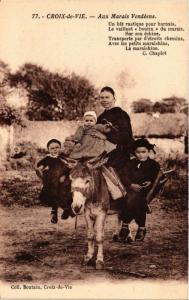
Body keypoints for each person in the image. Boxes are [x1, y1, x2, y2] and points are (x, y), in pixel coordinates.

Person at [118, 138, 160, 241]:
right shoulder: (130, 163)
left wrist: (150, 181)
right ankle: (142, 227)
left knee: (137, 199)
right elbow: (122, 175)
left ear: (148, 152)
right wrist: (131, 184)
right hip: (130, 188)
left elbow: (156, 176)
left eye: (144, 152)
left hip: (145, 190)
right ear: (134, 153)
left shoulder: (153, 164)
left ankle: (125, 225)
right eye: (138, 152)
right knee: (133, 199)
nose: (141, 155)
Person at [35, 139, 74, 224]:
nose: (55, 150)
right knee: (54, 197)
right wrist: (41, 171)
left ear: (60, 148)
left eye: (57, 147)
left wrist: (68, 169)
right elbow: (39, 167)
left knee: (66, 195)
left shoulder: (62, 158)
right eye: (52, 148)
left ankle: (67, 209)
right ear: (48, 149)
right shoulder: (47, 159)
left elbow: (68, 167)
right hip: (52, 183)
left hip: (64, 182)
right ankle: (54, 213)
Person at [97, 86, 134, 170]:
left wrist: (108, 134)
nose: (104, 100)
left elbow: (126, 136)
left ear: (114, 99)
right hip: (102, 153)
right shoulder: (100, 117)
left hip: (120, 153)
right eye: (102, 98)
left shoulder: (121, 114)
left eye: (107, 97)